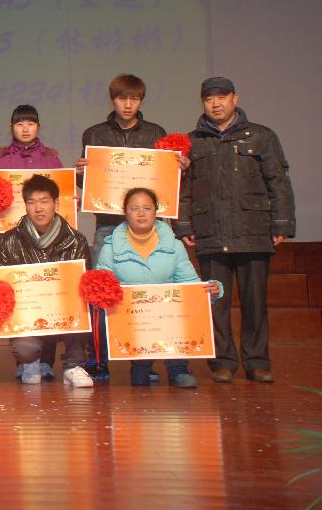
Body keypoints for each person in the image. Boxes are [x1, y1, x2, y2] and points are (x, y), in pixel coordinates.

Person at [176, 77, 295, 384]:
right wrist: (184, 225)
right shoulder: (191, 141)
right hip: (210, 232)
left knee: (255, 302)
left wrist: (282, 223)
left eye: (222, 97)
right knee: (216, 303)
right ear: (202, 103)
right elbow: (183, 188)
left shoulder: (262, 136)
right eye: (209, 99)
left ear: (234, 99)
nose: (215, 104)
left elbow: (278, 182)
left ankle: (257, 362)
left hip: (253, 230)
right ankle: (222, 363)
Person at [75, 74, 171, 380]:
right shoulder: (94, 133)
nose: (127, 104)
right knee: (102, 293)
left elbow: (165, 181)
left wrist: (178, 168)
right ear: (112, 99)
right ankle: (99, 359)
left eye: (134, 99)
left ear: (140, 101)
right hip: (108, 224)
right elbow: (89, 186)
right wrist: (80, 175)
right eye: (121, 98)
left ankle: (144, 362)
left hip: (148, 226)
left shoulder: (156, 133)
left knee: (146, 293)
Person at [97, 188, 222, 387]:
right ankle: (139, 364)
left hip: (168, 315)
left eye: (147, 208)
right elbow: (102, 285)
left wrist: (209, 290)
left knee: (177, 306)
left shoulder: (175, 246)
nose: (141, 213)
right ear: (125, 212)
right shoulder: (109, 248)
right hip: (132, 318)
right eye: (134, 208)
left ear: (156, 212)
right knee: (105, 314)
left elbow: (188, 283)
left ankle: (178, 367)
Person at [0, 104, 63, 381]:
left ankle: (46, 361)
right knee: (20, 297)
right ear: (11, 128)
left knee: (47, 296)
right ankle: (24, 360)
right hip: (14, 242)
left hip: (47, 240)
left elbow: (61, 196)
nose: (25, 129)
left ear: (38, 127)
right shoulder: (1, 163)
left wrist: (70, 199)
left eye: (30, 123)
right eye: (20, 124)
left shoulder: (51, 159)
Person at [0, 175, 94, 388]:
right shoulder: (8, 241)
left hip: (64, 313)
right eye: (32, 202)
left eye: (44, 201)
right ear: (25, 206)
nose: (38, 208)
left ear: (56, 203)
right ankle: (30, 363)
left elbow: (85, 287)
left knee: (82, 304)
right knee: (25, 349)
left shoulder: (76, 240)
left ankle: (73, 366)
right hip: (28, 315)